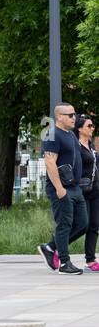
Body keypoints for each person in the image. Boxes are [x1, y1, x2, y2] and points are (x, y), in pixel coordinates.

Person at [38, 103, 86, 275]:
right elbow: (50, 162)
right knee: (64, 224)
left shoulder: (70, 135)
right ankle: (64, 263)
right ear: (59, 117)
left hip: (74, 187)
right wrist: (59, 189)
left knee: (82, 224)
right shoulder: (52, 134)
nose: (74, 118)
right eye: (70, 115)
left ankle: (50, 247)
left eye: (74, 114)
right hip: (61, 188)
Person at [68, 113, 99, 271]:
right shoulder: (76, 147)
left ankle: (91, 260)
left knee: (94, 225)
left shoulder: (91, 145)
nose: (92, 128)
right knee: (83, 224)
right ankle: (56, 246)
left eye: (93, 126)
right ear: (80, 129)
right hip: (82, 191)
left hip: (95, 190)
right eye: (89, 126)